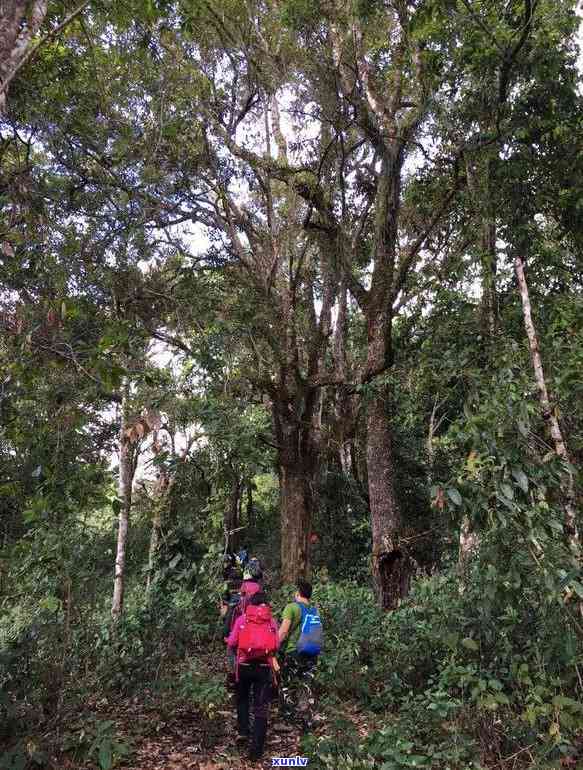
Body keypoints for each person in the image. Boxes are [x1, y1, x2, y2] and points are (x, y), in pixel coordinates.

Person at [226, 591, 279, 761]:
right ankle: (256, 751)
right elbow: (276, 644)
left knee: (242, 698)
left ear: (251, 604)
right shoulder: (271, 621)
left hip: (244, 666)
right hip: (263, 668)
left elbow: (233, 642)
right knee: (261, 708)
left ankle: (243, 731)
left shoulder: (242, 619)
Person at [278, 580, 322, 728]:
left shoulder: (292, 607)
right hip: (312, 653)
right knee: (307, 685)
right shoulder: (314, 610)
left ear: (298, 593)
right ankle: (309, 720)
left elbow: (283, 631)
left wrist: (273, 646)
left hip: (294, 652)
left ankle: (288, 720)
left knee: (286, 685)